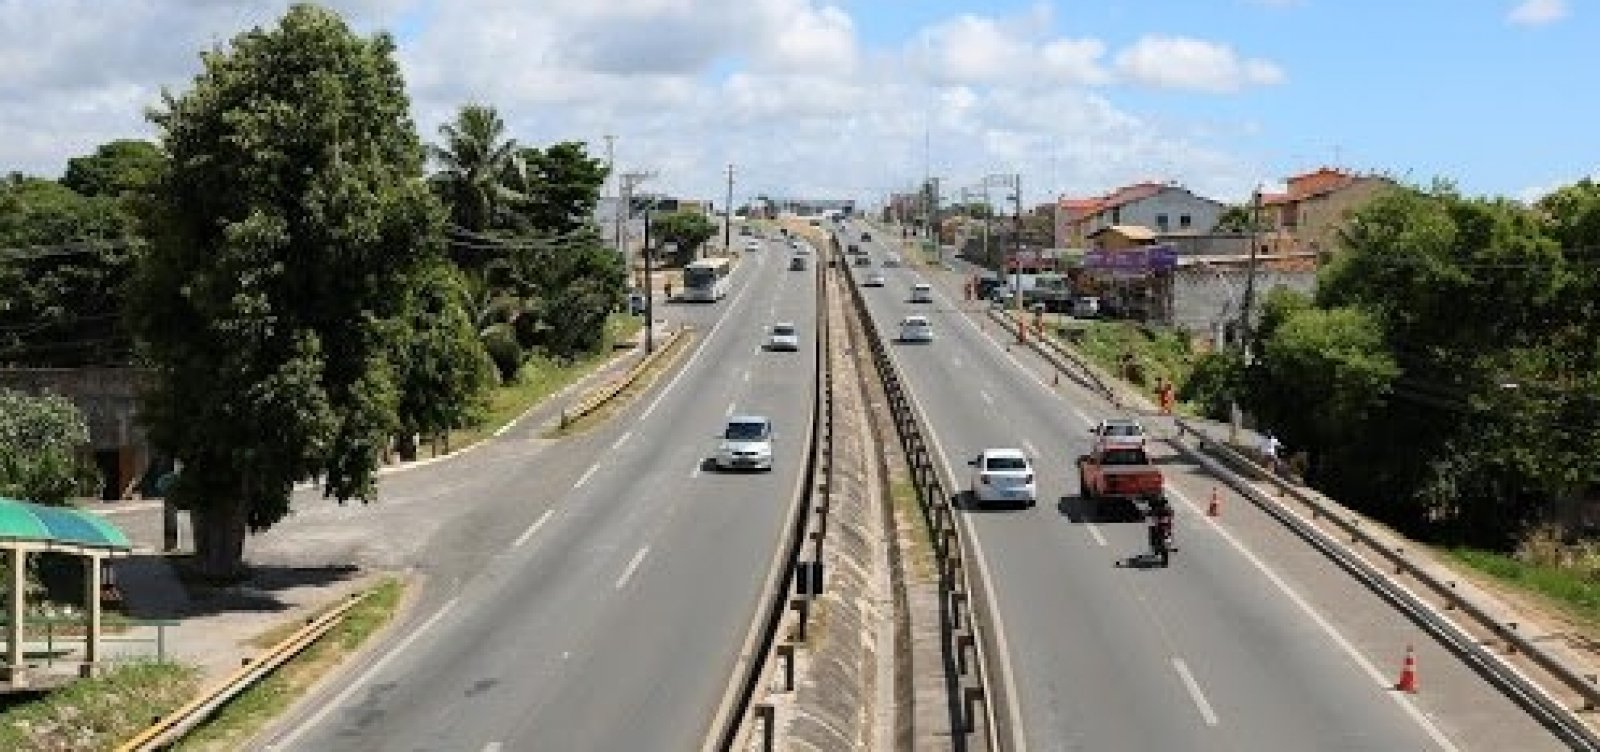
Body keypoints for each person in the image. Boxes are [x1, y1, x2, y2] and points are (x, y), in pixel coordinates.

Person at [1147, 494, 1174, 565]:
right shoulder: (1166, 507)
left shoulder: (1159, 508)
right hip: (1164, 526)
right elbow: (1171, 514)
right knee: (1155, 531)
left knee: (1153, 531)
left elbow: (1171, 514)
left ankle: (1156, 548)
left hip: (1162, 526)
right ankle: (1157, 548)